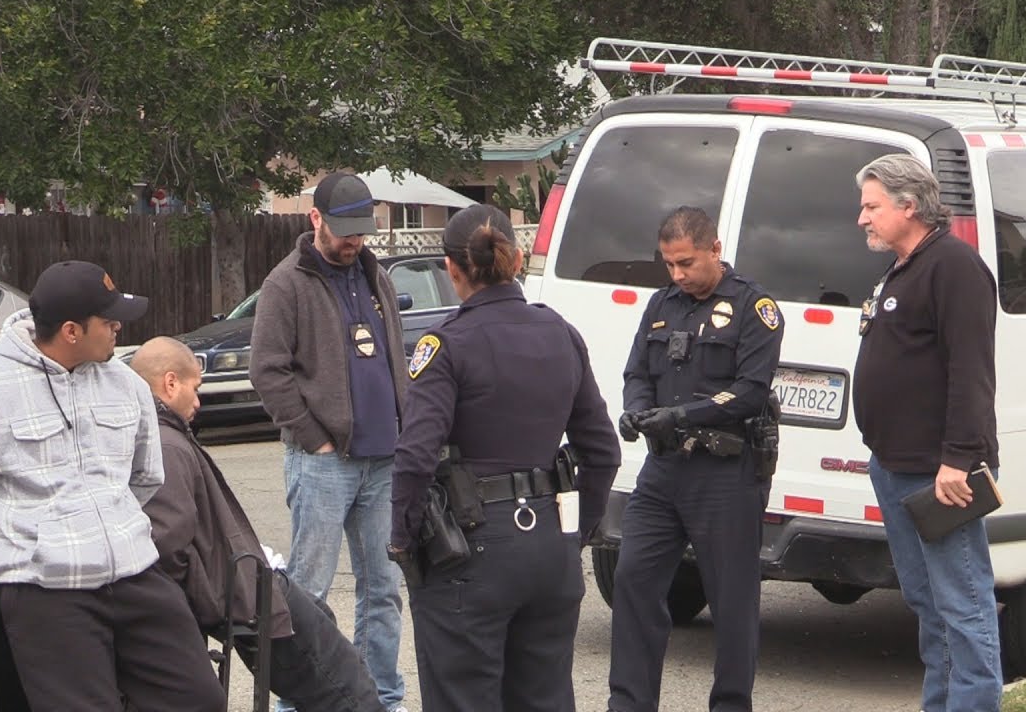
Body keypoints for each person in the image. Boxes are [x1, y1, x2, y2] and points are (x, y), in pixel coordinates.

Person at [0, 260, 224, 712]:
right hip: (46, 592)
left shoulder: (127, 385)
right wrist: (12, 538)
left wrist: (109, 526)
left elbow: (146, 475)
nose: (119, 327)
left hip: (135, 575)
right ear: (72, 331)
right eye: (109, 320)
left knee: (199, 700)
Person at [389, 203, 620, 712]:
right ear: (516, 260)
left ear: (451, 269)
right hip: (549, 549)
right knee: (544, 698)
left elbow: (415, 456)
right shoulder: (560, 333)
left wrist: (403, 540)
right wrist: (577, 533)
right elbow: (602, 451)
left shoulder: (447, 343)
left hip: (470, 550)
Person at [130, 336, 386, 712]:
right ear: (170, 383)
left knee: (325, 629)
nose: (199, 402)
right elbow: (167, 548)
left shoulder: (161, 436)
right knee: (349, 691)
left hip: (245, 583)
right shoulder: (165, 446)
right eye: (195, 389)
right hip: (243, 592)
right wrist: (215, 593)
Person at [608, 206, 784, 712]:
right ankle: (629, 703)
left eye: (686, 263)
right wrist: (637, 411)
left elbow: (750, 392)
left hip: (725, 472)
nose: (678, 274)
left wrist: (681, 415)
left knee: (731, 601)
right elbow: (637, 370)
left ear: (714, 250)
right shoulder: (663, 304)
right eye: (669, 264)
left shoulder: (755, 307)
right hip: (664, 472)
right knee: (633, 580)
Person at [249, 172, 408, 712]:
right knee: (306, 595)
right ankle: (300, 704)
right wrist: (313, 438)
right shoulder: (285, 283)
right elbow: (267, 371)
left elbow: (393, 357)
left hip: (384, 460)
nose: (354, 241)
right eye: (345, 230)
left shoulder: (374, 274)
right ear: (314, 218)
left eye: (362, 231)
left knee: (383, 589)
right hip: (323, 464)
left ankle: (378, 699)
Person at [853, 154, 1002, 712]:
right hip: (894, 466)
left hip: (941, 473)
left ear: (908, 205)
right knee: (927, 604)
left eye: (872, 206)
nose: (862, 218)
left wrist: (958, 460)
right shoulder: (904, 266)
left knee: (962, 606)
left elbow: (971, 371)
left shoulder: (954, 266)